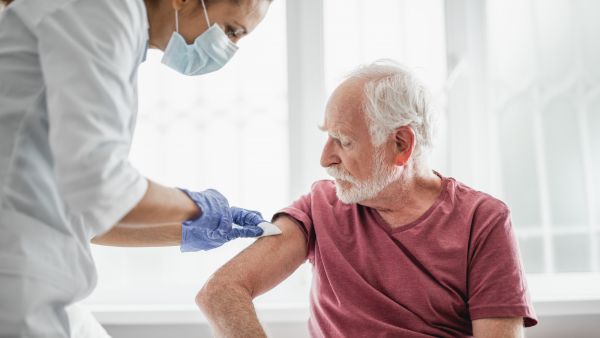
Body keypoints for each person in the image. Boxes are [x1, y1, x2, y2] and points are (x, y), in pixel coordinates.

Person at [196, 60, 538, 337]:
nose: (325, 159)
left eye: (343, 141)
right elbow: (221, 292)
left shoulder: (484, 220)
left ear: (401, 144)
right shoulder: (320, 207)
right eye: (328, 137)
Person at [0, 0, 273, 336]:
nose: (228, 49)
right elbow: (101, 187)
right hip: (17, 277)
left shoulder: (118, 29)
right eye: (231, 30)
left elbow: (82, 214)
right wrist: (196, 208)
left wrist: (186, 228)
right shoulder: (102, 10)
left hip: (32, 267)